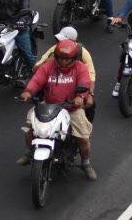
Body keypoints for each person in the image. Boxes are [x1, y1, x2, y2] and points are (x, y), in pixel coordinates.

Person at [19, 38, 97, 178]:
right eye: (60, 59)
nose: (63, 62)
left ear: (74, 58)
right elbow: (37, 80)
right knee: (29, 127)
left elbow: (85, 84)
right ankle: (30, 152)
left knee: (83, 139)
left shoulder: (81, 68)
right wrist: (28, 92)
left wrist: (80, 97)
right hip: (48, 105)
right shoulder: (48, 66)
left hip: (71, 108)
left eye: (67, 59)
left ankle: (86, 163)